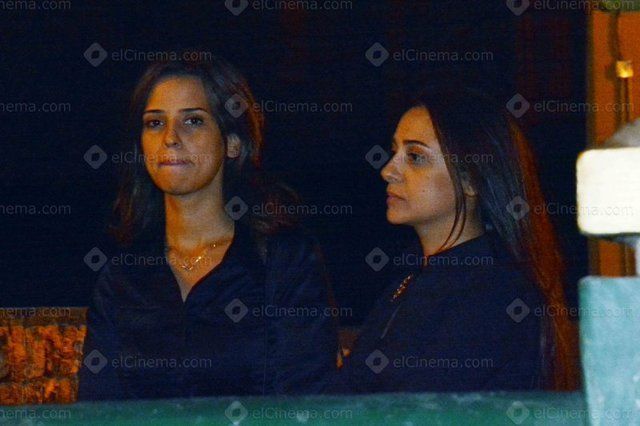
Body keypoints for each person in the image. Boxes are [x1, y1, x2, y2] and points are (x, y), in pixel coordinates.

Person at [78, 55, 339, 400]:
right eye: (155, 123)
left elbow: (306, 399)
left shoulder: (282, 261)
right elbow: (97, 409)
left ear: (232, 142)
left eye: (193, 121)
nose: (170, 138)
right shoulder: (122, 278)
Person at [339, 85, 579, 392]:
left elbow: (416, 402)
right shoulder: (417, 277)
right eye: (394, 152)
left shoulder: (493, 292)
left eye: (415, 156)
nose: (388, 170)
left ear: (470, 180)